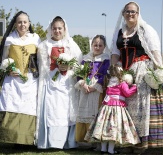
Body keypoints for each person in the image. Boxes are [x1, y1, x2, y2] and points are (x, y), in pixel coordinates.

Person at [111, 1, 163, 153]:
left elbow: (155, 50)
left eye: (133, 12)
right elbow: (115, 53)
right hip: (125, 72)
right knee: (126, 108)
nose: (130, 14)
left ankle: (143, 144)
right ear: (123, 13)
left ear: (138, 13)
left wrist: (160, 71)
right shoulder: (119, 32)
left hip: (143, 71)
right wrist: (113, 68)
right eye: (128, 11)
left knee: (142, 107)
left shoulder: (145, 29)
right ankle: (129, 142)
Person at [36, 16, 82, 149]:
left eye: (59, 28)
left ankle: (68, 141)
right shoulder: (44, 45)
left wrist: (68, 67)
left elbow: (79, 63)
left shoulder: (71, 44)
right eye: (54, 28)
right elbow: (42, 66)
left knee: (65, 111)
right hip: (50, 82)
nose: (57, 31)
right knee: (52, 110)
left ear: (64, 29)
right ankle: (51, 142)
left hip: (67, 83)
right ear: (50, 29)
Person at [0, 11, 41, 145]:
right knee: (11, 105)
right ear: (15, 24)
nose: (22, 24)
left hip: (30, 79)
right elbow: (4, 59)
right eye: (19, 22)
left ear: (29, 24)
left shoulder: (35, 38)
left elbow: (40, 60)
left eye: (25, 22)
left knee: (28, 108)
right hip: (13, 80)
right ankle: (10, 138)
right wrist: (8, 70)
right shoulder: (10, 39)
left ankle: (27, 139)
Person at [84, 64, 140, 154]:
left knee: (105, 127)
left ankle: (103, 149)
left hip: (106, 108)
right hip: (117, 108)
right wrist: (134, 87)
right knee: (113, 128)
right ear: (121, 73)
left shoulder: (109, 82)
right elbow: (127, 93)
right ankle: (110, 150)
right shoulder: (122, 83)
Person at [74, 35, 110, 146]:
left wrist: (96, 86)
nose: (97, 47)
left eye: (100, 45)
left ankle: (96, 142)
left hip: (97, 90)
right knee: (84, 112)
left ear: (104, 47)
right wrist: (83, 84)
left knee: (96, 113)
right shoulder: (86, 58)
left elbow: (105, 75)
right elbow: (79, 73)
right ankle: (84, 141)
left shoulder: (106, 59)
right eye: (95, 45)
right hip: (85, 89)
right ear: (92, 45)